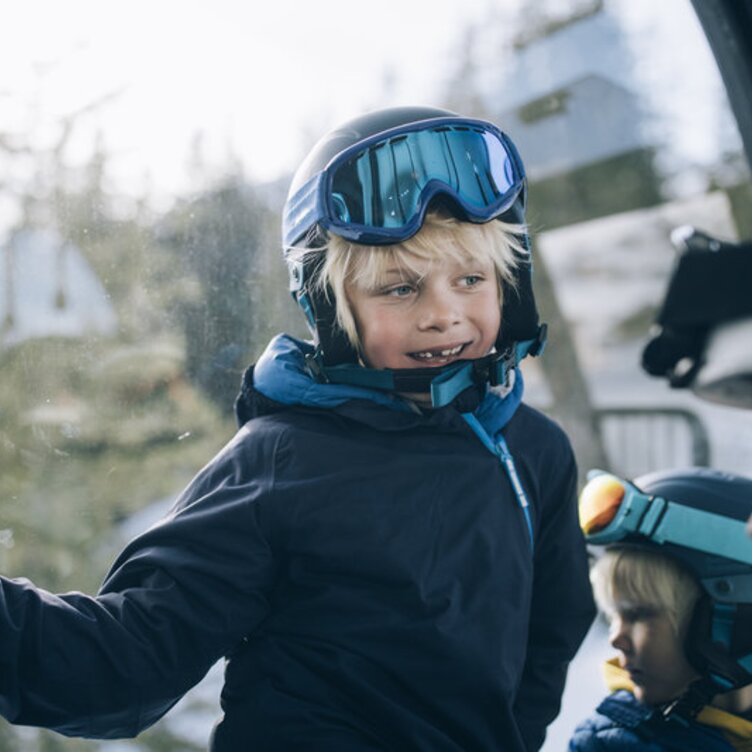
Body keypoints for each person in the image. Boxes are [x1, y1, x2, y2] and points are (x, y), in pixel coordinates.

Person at [0, 106, 595, 751]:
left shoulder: (533, 449)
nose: (443, 315)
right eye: (399, 289)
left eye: (471, 279)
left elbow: (550, 638)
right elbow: (122, 665)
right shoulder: (280, 461)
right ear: (332, 310)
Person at [570, 468, 752, 751]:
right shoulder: (610, 744)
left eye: (638, 614)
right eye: (613, 616)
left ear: (737, 620)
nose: (615, 639)